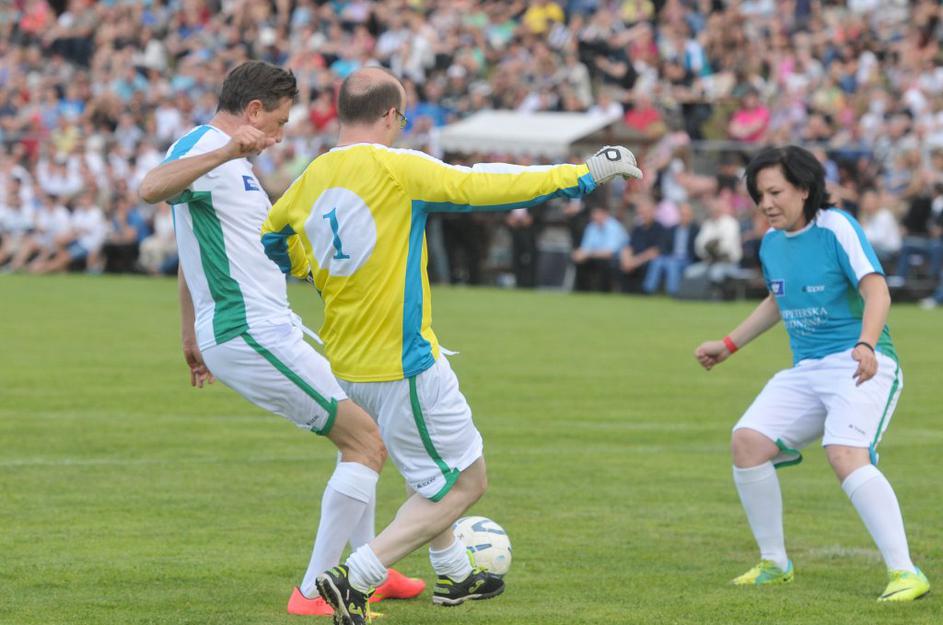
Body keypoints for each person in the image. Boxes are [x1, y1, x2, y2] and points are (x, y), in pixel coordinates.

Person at [260, 67, 642, 625]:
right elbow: (482, 185)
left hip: (346, 363)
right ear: (390, 115)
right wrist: (583, 175)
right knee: (465, 482)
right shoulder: (397, 168)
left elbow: (272, 235)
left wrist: (309, 270)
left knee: (426, 473)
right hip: (402, 362)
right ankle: (354, 577)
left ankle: (457, 574)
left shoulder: (311, 177)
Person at [137, 60, 423, 618]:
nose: (280, 135)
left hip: (258, 327)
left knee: (365, 432)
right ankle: (316, 590)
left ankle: (370, 569)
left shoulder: (230, 164)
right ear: (252, 112)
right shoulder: (205, 147)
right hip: (248, 330)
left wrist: (188, 331)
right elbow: (150, 188)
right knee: (366, 442)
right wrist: (227, 150)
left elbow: (192, 244)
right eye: (280, 122)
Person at [694, 146, 929, 602]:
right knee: (747, 443)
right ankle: (774, 564)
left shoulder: (836, 226)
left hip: (861, 363)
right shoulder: (770, 243)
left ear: (804, 189)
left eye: (775, 192)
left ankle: (906, 572)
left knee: (844, 453)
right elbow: (777, 301)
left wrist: (866, 344)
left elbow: (877, 291)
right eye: (759, 196)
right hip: (807, 370)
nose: (766, 204)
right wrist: (728, 345)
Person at [571, 203, 628, 292]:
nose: (595, 216)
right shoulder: (591, 227)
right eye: (594, 214)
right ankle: (582, 291)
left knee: (604, 263)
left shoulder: (613, 227)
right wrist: (578, 254)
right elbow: (585, 247)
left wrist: (588, 254)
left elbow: (609, 253)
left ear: (605, 214)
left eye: (598, 214)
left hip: (616, 259)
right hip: (595, 257)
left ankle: (604, 291)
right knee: (579, 260)